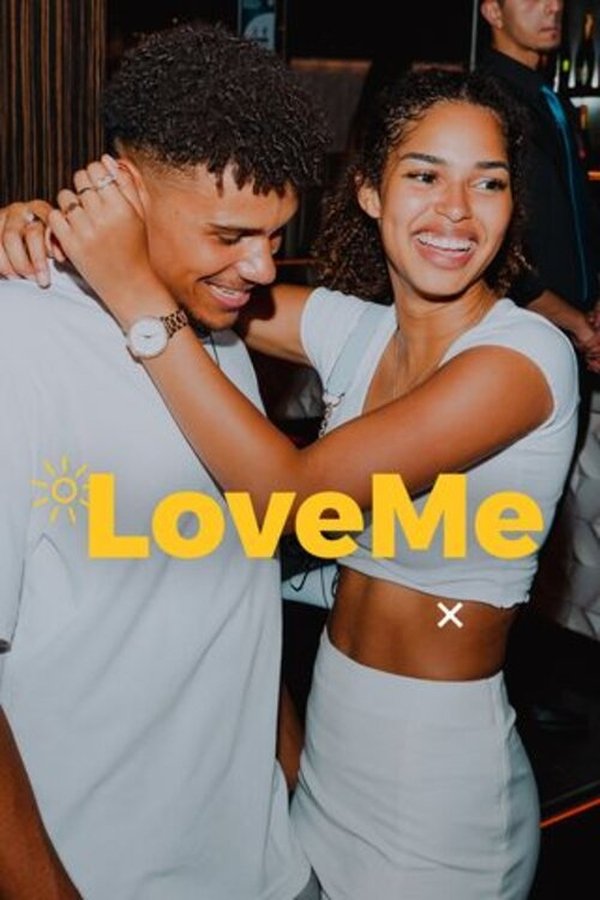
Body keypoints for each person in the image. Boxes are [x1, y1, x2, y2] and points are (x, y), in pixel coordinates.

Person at [19, 67, 581, 898]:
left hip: (439, 785)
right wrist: (52, 230)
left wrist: (131, 287)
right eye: (425, 176)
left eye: (488, 182)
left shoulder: (524, 360)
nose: (457, 211)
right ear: (369, 192)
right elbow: (204, 278)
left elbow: (290, 498)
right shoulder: (356, 332)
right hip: (325, 764)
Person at [0, 19, 328, 900]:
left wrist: (290, 793)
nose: (261, 268)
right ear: (126, 191)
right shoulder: (17, 341)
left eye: (275, 235)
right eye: (229, 235)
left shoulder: (208, 338)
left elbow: (233, 594)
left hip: (267, 869)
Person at [478, 0, 600, 733]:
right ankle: (504, 685)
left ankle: (524, 677)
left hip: (569, 339)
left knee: (542, 519)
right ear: (491, 9)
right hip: (524, 342)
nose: (552, 4)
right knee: (512, 517)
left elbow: (576, 225)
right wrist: (573, 321)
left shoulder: (547, 99)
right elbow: (494, 245)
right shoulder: (489, 98)